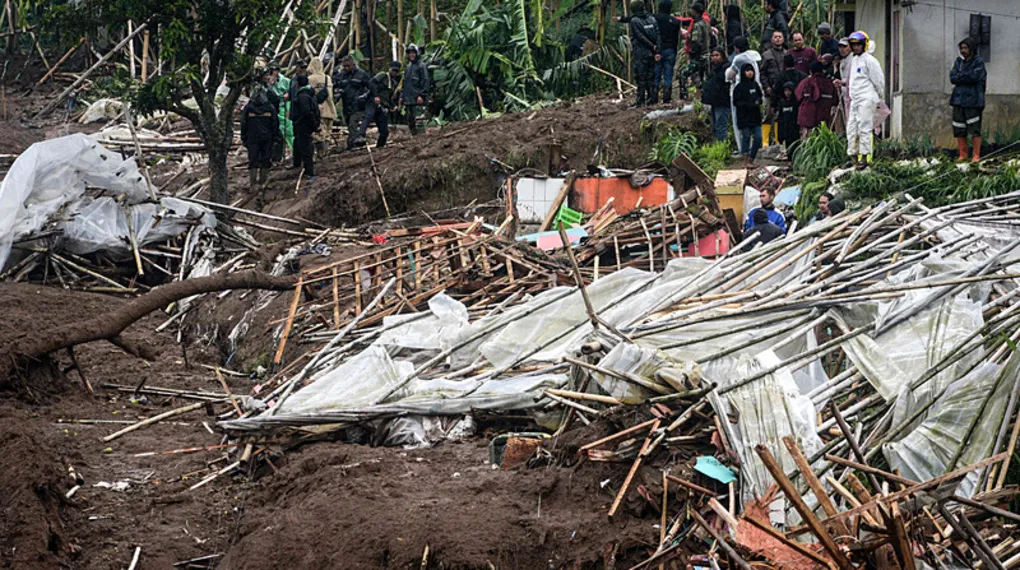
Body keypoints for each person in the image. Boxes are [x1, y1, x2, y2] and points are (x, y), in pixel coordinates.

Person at [845, 30, 884, 169]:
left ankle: (865, 157)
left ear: (864, 45)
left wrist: (879, 97)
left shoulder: (870, 61)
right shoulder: (854, 60)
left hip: (866, 98)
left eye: (858, 45)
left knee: (864, 128)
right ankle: (853, 156)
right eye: (853, 45)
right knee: (851, 128)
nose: (856, 47)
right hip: (855, 99)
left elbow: (879, 81)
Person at [241, 71, 279, 205]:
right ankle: (263, 182)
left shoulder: (248, 108)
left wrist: (244, 138)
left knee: (253, 160)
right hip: (266, 138)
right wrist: (275, 137)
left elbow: (243, 124)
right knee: (265, 159)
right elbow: (275, 124)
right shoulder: (270, 107)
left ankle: (253, 184)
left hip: (252, 139)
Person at [949, 36, 986, 162]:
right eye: (961, 48)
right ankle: (963, 155)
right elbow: (953, 77)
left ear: (972, 49)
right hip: (958, 100)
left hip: (973, 101)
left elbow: (974, 77)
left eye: (965, 48)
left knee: (974, 128)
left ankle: (976, 155)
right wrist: (963, 76)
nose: (963, 50)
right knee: (959, 128)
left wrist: (961, 76)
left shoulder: (978, 62)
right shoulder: (958, 62)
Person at [620, 0, 660, 107]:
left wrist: (652, 46)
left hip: (641, 53)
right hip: (651, 52)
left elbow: (639, 36)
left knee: (641, 77)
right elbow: (657, 34)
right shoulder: (652, 19)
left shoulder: (634, 21)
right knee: (651, 76)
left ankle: (641, 101)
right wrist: (656, 48)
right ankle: (652, 99)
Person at [725, 36, 761, 154]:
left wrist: (729, 74)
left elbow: (729, 75)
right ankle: (752, 148)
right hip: (754, 91)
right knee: (753, 121)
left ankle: (743, 149)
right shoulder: (753, 56)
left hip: (740, 93)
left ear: (736, 48)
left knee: (739, 122)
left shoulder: (739, 59)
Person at [333, 55, 374, 150]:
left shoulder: (361, 74)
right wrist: (338, 93)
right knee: (349, 124)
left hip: (358, 106)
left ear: (353, 64)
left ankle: (351, 146)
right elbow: (335, 87)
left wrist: (365, 96)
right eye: (345, 66)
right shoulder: (340, 76)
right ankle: (355, 143)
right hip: (346, 105)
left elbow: (371, 87)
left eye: (348, 66)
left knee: (353, 125)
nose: (346, 68)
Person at [290, 75, 320, 180]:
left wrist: (311, 124)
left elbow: (306, 112)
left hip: (303, 125)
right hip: (303, 125)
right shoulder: (308, 94)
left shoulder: (303, 96)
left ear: (298, 84)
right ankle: (297, 164)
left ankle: (310, 172)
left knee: (306, 148)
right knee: (298, 144)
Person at [759, 29, 786, 147]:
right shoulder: (766, 55)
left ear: (783, 39)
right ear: (771, 39)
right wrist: (766, 87)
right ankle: (765, 141)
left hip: (782, 90)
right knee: (768, 114)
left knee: (780, 115)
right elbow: (762, 73)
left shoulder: (786, 53)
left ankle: (778, 140)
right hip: (770, 90)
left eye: (780, 37)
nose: (778, 39)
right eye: (775, 37)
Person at [733, 63, 763, 166]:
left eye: (751, 70)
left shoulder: (755, 85)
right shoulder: (739, 87)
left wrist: (758, 101)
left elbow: (760, 97)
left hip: (755, 117)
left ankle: (752, 159)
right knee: (746, 137)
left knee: (758, 137)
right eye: (747, 70)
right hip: (744, 117)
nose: (750, 72)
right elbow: (736, 102)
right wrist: (748, 104)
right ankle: (745, 161)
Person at [796, 61, 836, 138]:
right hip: (824, 117)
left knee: (807, 137)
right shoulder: (829, 84)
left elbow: (797, 96)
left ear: (810, 71)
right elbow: (835, 100)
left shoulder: (805, 83)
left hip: (807, 117)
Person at [366, 61, 401, 148]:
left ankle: (379, 147)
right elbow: (371, 83)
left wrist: (393, 106)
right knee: (367, 119)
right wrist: (376, 96)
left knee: (384, 131)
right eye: (393, 70)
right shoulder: (383, 76)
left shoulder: (393, 83)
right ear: (390, 69)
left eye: (396, 71)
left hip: (383, 107)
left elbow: (389, 97)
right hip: (374, 104)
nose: (394, 73)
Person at [306, 57, 336, 155]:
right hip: (330, 109)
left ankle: (320, 153)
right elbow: (331, 95)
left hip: (318, 110)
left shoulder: (310, 79)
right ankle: (326, 152)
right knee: (327, 133)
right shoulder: (327, 78)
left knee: (319, 134)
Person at [653, 0, 681, 103]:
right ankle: (666, 98)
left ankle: (654, 98)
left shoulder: (654, 19)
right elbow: (677, 39)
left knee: (656, 74)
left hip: (657, 50)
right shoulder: (675, 21)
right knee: (668, 75)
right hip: (670, 50)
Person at [702, 47, 731, 142]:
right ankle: (717, 146)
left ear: (722, 56)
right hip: (714, 102)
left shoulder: (726, 68)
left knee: (721, 126)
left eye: (717, 55)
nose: (714, 57)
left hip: (723, 102)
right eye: (713, 56)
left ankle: (722, 147)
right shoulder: (714, 69)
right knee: (715, 127)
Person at [402, 43, 430, 134]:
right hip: (408, 99)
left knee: (419, 120)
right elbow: (405, 83)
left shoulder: (422, 66)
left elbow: (425, 81)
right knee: (410, 120)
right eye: (409, 53)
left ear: (417, 53)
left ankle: (421, 138)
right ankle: (414, 137)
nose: (411, 55)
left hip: (418, 98)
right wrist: (402, 96)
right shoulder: (408, 67)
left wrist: (422, 95)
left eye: (413, 53)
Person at [268, 63, 292, 162]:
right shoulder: (266, 82)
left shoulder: (285, 81)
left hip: (283, 107)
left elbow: (291, 93)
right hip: (271, 109)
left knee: (288, 130)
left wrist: (288, 107)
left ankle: (292, 152)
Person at [688, 3, 711, 99]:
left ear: (695, 12)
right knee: (705, 76)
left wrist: (692, 52)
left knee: (696, 76)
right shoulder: (706, 23)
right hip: (707, 53)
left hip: (699, 55)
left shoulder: (697, 25)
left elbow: (696, 41)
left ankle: (699, 96)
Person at [776, 81, 799, 153]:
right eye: (785, 91)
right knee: (788, 148)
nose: (787, 93)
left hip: (794, 129)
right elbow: (780, 118)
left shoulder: (796, 102)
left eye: (789, 90)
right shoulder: (782, 102)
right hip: (785, 128)